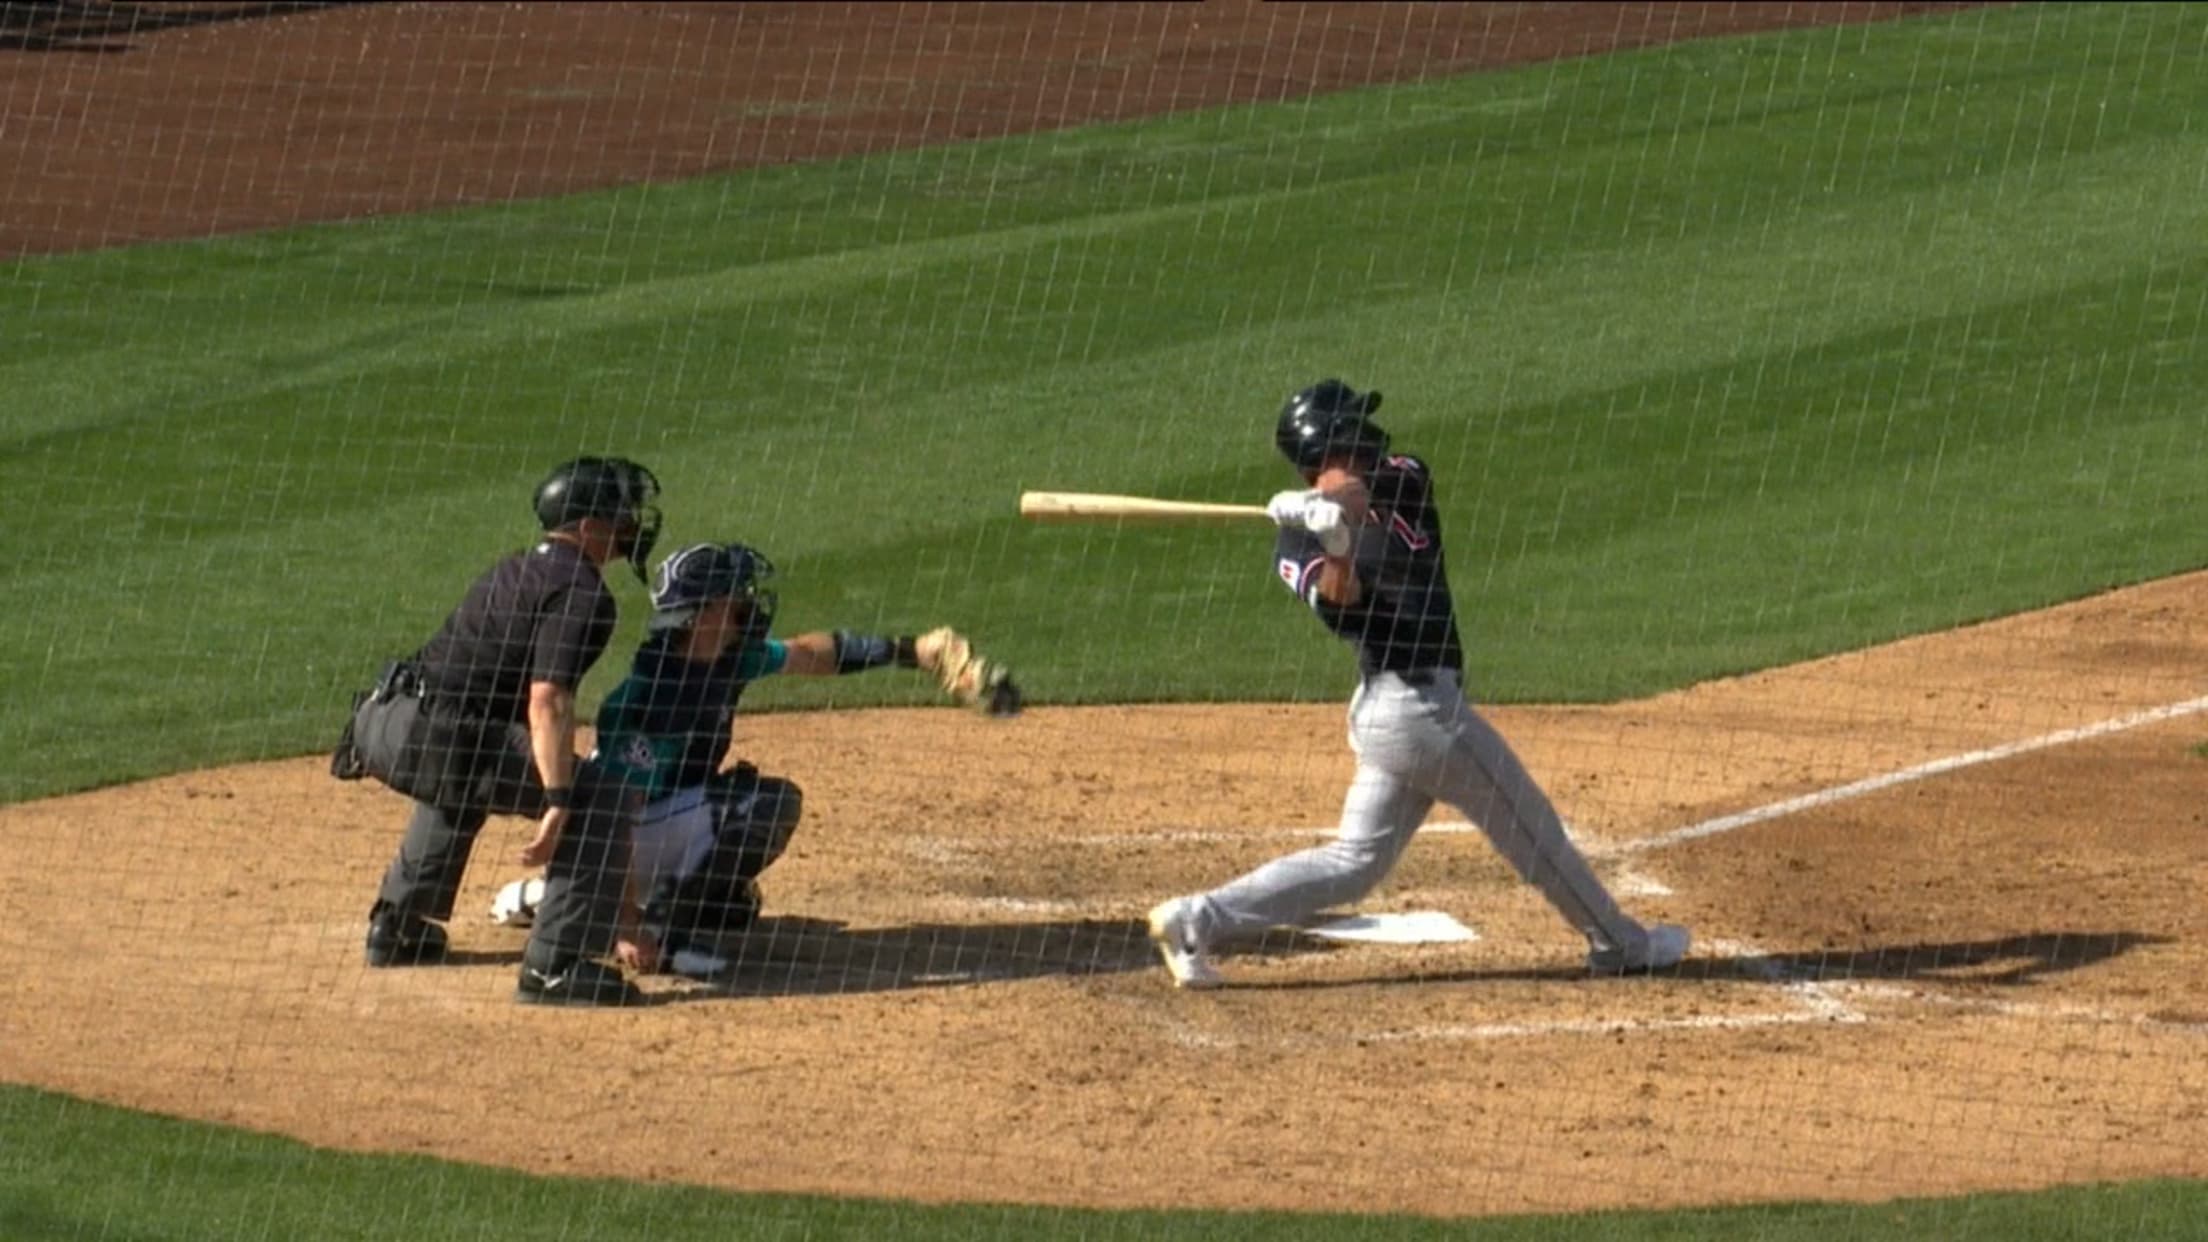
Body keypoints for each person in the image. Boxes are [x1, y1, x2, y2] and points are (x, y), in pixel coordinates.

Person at [1145, 380, 1690, 989]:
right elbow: (1343, 604)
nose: (1370, 433)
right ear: (1331, 438)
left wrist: (1327, 504)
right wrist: (1332, 543)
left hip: (1406, 715)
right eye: (1354, 423)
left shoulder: (1403, 479)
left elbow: (1353, 491)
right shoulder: (1292, 544)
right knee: (1532, 831)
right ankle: (1620, 945)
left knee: (1355, 864)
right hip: (1413, 712)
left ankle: (1194, 920)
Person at [489, 540, 1019, 980]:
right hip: (624, 839)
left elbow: (810, 654)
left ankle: (572, 898)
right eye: (735, 596)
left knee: (732, 903)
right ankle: (649, 927)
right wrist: (629, 926)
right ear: (706, 613)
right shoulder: (652, 698)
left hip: (655, 828)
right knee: (764, 805)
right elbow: (616, 814)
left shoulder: (724, 657)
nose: (748, 602)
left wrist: (914, 652)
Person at [332, 455, 664, 1007]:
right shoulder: (582, 592)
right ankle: (553, 968)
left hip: (381, 724)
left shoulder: (515, 568)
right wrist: (559, 798)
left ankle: (398, 927)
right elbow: (548, 700)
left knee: (469, 769)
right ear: (588, 527)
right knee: (602, 796)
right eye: (620, 515)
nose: (631, 525)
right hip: (434, 737)